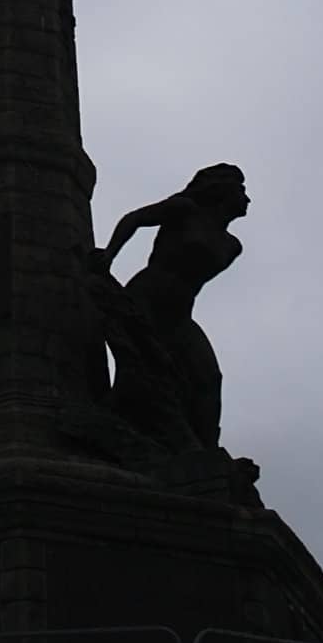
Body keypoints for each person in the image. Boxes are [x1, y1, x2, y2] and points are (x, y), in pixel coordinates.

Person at [90, 163, 250, 449]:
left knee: (209, 379)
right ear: (221, 190)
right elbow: (134, 219)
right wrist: (109, 255)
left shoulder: (232, 245)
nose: (247, 198)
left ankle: (206, 452)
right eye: (242, 190)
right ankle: (112, 423)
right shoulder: (184, 209)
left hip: (180, 315)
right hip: (146, 298)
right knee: (144, 371)